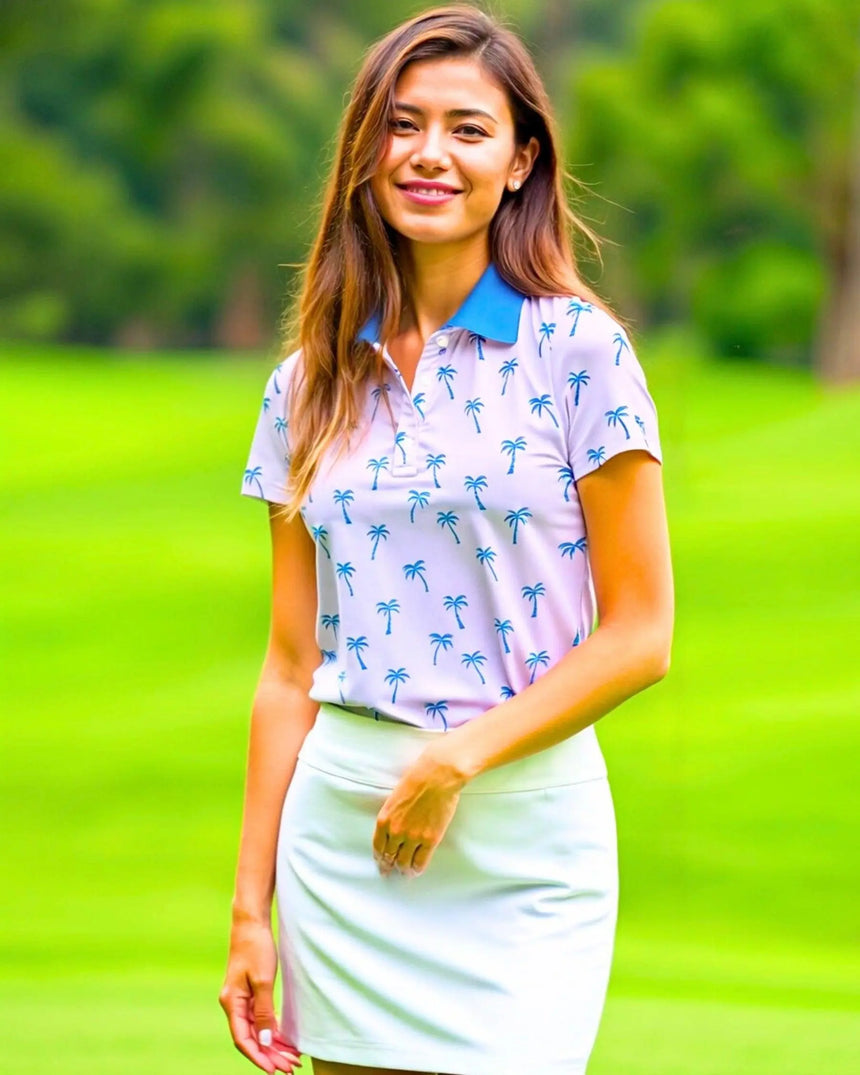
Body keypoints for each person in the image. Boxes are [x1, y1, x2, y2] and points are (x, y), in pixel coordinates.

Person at [220, 5, 674, 1075]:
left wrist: (453, 762)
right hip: (344, 836)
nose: (429, 154)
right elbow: (288, 668)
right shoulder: (306, 383)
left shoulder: (580, 353)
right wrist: (250, 907)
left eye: (468, 130)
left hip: (520, 833)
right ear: (364, 151)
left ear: (520, 162)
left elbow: (640, 633)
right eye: (402, 123)